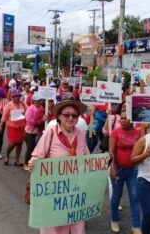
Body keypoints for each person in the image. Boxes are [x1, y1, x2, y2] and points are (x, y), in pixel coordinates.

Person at [28, 99, 89, 234]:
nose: (70, 118)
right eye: (66, 115)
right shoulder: (50, 133)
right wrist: (34, 162)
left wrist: (102, 165)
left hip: (75, 194)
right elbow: (37, 156)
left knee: (77, 229)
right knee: (54, 229)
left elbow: (88, 161)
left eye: (74, 115)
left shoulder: (80, 134)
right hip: (54, 194)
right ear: (59, 116)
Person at [109, 110, 142, 234]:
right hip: (118, 169)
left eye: (125, 118)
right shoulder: (116, 133)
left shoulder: (138, 134)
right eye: (121, 118)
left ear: (131, 120)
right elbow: (111, 152)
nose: (122, 120)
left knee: (134, 197)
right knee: (116, 197)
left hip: (133, 170)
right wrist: (112, 168)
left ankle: (136, 225)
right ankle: (114, 220)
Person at [0, 89, 27, 166]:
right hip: (12, 127)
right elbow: (4, 116)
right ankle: (7, 155)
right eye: (16, 96)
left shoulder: (23, 104)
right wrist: (1, 126)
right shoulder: (9, 105)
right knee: (12, 143)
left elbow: (27, 112)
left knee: (20, 143)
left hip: (21, 126)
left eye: (19, 96)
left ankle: (17, 160)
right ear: (12, 97)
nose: (18, 98)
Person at [23, 93, 45, 170]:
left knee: (36, 150)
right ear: (34, 101)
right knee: (30, 149)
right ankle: (26, 163)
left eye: (40, 100)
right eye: (37, 101)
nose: (39, 102)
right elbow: (29, 121)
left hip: (38, 132)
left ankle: (33, 164)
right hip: (30, 132)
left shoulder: (42, 108)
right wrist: (41, 121)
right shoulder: (30, 109)